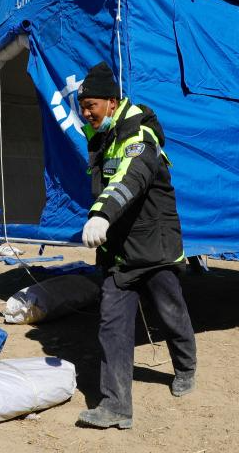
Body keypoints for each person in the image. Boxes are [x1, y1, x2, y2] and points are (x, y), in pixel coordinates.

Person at [74, 61, 197, 430]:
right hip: (119, 253)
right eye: (81, 107)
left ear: (111, 102)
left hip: (154, 249)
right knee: (111, 326)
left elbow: (132, 177)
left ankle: (186, 368)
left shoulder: (139, 133)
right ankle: (116, 407)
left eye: (90, 105)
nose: (85, 113)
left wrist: (101, 215)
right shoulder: (101, 138)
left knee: (171, 314)